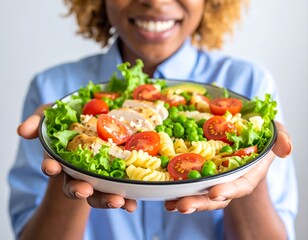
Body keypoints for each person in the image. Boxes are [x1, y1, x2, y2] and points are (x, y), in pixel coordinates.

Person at [9, 0, 298, 239]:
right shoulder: (54, 92)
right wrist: (71, 168)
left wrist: (248, 165)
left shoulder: (249, 85)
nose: (156, 2)